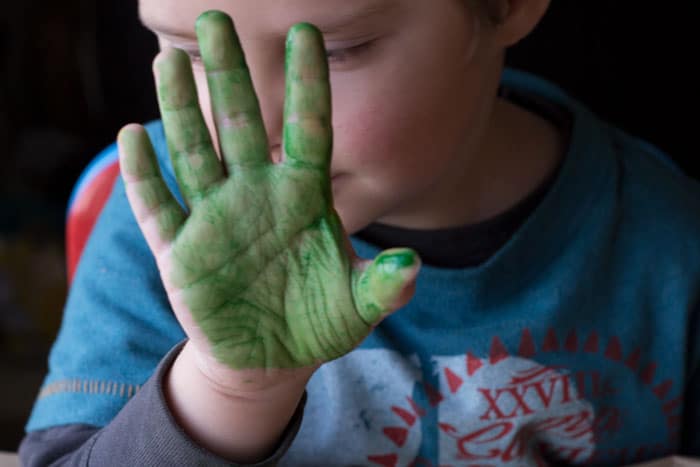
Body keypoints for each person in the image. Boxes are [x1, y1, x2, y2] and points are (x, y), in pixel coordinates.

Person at [18, 0, 700, 465]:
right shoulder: (166, 222)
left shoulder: (669, 242)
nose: (253, 117)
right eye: (191, 51)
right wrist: (229, 390)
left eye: (335, 51)